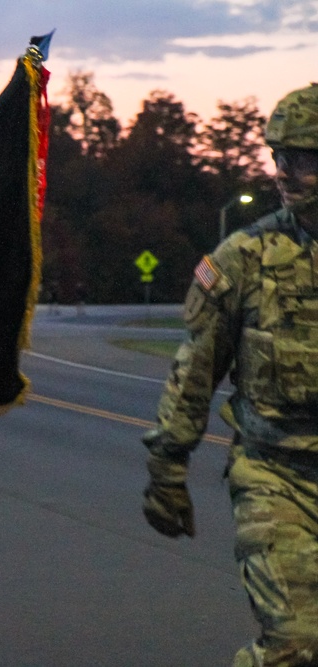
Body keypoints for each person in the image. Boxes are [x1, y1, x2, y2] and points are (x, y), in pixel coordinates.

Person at [141, 83, 318, 666]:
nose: (286, 173)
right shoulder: (245, 258)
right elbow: (195, 370)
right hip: (278, 476)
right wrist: (168, 465)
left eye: (305, 158)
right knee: (296, 644)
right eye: (279, 157)